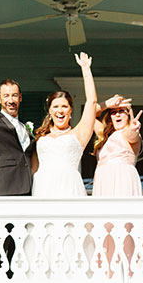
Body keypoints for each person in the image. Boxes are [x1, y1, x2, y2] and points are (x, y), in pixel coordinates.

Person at [31, 52, 98, 198]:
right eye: (55, 107)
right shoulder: (41, 136)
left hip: (69, 188)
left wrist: (86, 69)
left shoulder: (78, 134)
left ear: (70, 110)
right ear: (49, 110)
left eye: (64, 106)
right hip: (43, 187)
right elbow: (33, 168)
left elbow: (91, 102)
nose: (60, 111)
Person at [91, 97, 143, 197]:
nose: (117, 114)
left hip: (122, 181)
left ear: (128, 115)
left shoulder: (127, 132)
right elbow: (89, 115)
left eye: (121, 111)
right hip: (103, 181)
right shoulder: (104, 134)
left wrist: (133, 129)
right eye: (113, 112)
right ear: (110, 117)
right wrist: (107, 104)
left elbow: (132, 135)